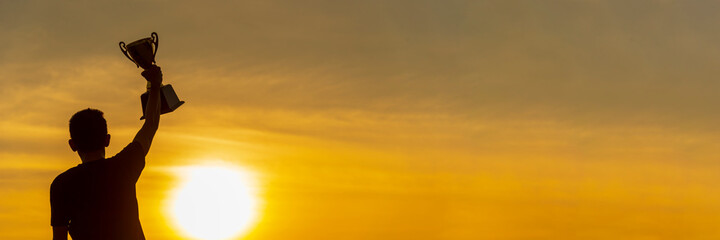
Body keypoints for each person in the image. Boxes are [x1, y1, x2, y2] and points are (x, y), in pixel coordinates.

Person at [50, 66, 163, 240]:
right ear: (107, 140)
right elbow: (151, 124)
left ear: (72, 145)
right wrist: (154, 86)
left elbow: (59, 238)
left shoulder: (61, 184)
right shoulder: (124, 166)